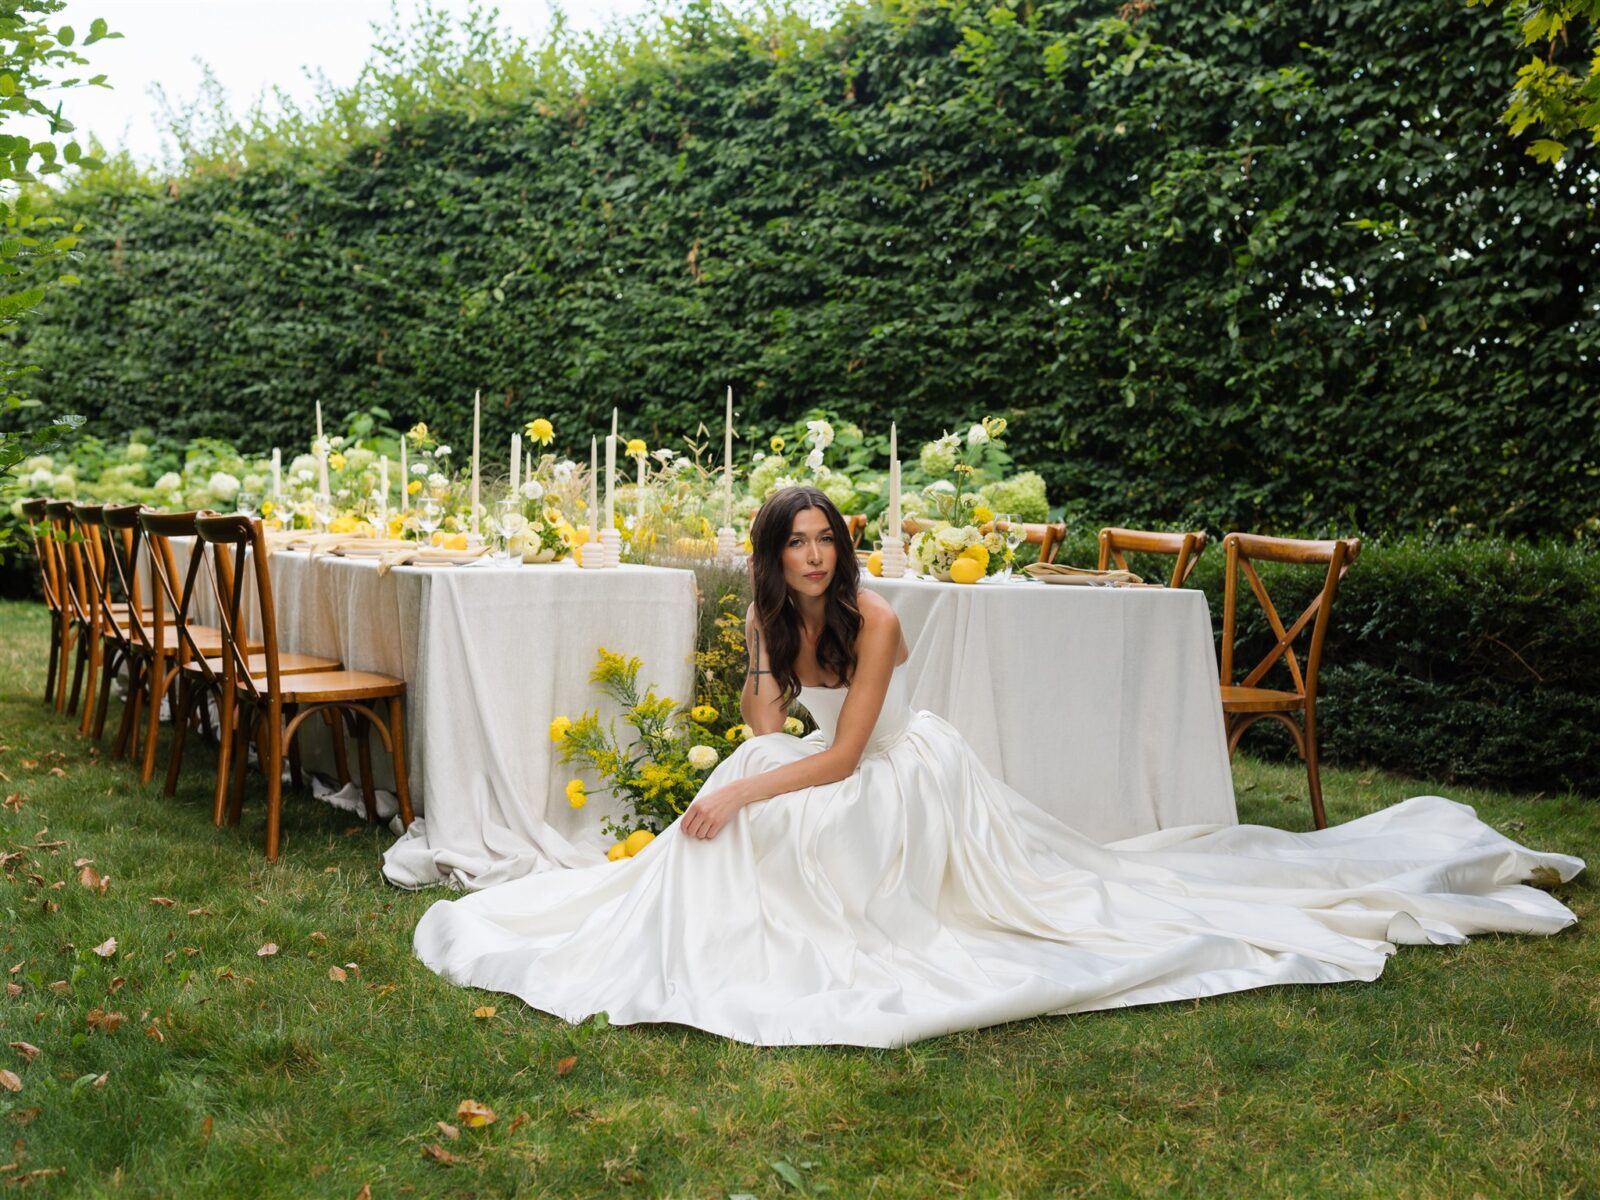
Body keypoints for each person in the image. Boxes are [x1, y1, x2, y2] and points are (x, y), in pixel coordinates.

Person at [413, 486, 1583, 1048]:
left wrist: (740, 784)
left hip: (898, 776)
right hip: (815, 761)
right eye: (795, 544)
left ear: (845, 549)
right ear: (775, 556)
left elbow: (844, 758)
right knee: (732, 813)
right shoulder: (783, 613)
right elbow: (775, 724)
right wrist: (755, 702)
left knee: (758, 810)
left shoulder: (875, 622)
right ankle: (697, 929)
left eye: (826, 540)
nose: (815, 557)